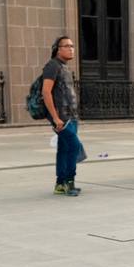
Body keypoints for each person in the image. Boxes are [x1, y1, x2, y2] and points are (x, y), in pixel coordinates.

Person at [41, 36, 83, 196]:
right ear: (58, 49)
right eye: (67, 46)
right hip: (62, 118)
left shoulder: (63, 67)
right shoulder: (52, 65)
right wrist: (55, 117)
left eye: (72, 46)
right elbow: (46, 92)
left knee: (64, 148)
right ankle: (69, 182)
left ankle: (60, 184)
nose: (71, 49)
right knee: (74, 146)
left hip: (71, 116)